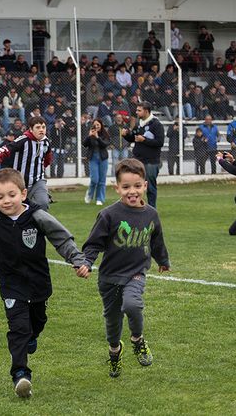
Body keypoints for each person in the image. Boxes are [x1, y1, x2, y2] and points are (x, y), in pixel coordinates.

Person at [0, 168, 90, 398]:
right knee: (18, 329)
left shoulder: (38, 216)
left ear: (23, 193)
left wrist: (77, 259)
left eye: (11, 195)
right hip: (11, 285)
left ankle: (32, 337)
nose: (6, 201)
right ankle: (21, 374)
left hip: (39, 284)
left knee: (37, 322)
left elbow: (61, 238)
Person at [82, 158, 171, 378]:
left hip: (135, 273)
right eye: (126, 187)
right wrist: (86, 262)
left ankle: (137, 339)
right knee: (112, 322)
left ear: (145, 186)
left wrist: (162, 260)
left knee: (132, 305)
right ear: (117, 188)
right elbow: (94, 243)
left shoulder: (151, 214)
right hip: (109, 277)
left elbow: (156, 240)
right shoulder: (108, 215)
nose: (132, 191)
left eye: (137, 186)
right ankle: (115, 351)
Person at [0, 116, 53, 210]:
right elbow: (6, 148)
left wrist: (42, 167)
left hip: (37, 181)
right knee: (17, 209)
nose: (41, 130)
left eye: (43, 127)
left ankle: (39, 224)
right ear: (31, 129)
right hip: (19, 182)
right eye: (38, 127)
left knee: (43, 203)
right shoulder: (23, 140)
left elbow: (48, 157)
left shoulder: (46, 141)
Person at [122, 102, 164, 208]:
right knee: (136, 185)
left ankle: (152, 210)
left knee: (150, 187)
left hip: (151, 161)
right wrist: (127, 135)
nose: (136, 112)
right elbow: (134, 138)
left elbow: (160, 142)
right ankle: (137, 207)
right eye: (136, 110)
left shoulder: (156, 124)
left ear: (146, 111)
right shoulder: (139, 123)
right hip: (138, 160)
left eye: (139, 110)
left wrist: (144, 140)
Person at [83, 119, 111, 205]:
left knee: (102, 180)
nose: (97, 126)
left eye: (98, 124)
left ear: (101, 125)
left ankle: (100, 199)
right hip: (93, 159)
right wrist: (89, 136)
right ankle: (89, 195)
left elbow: (105, 144)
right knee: (94, 179)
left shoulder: (105, 135)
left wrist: (97, 137)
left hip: (103, 159)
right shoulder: (91, 134)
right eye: (95, 125)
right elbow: (84, 144)